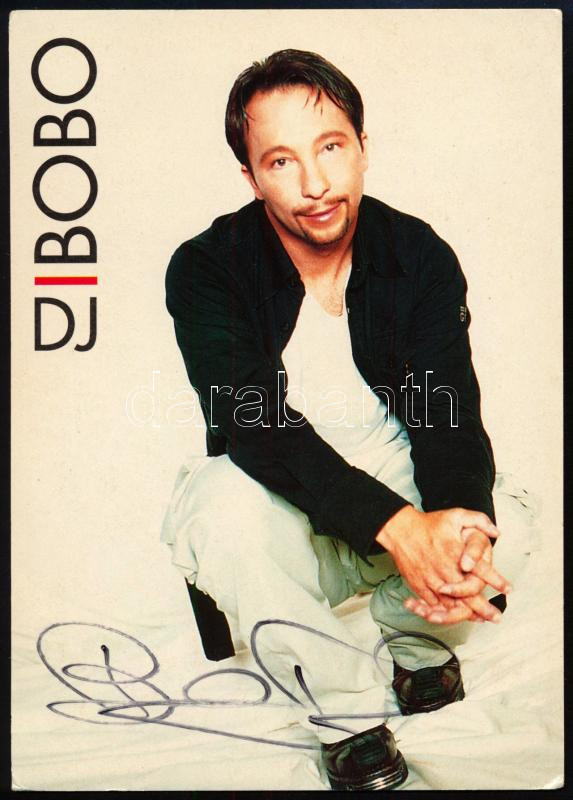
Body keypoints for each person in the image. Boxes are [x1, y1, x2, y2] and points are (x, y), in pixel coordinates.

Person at [162, 49, 534, 790]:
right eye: (281, 161)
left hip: (390, 487)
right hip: (284, 518)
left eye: (330, 147)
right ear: (251, 177)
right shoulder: (207, 265)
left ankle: (416, 646)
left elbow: (448, 410)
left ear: (362, 146)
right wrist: (399, 528)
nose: (314, 184)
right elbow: (254, 423)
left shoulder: (417, 252)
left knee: (504, 522)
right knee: (219, 512)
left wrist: (452, 526)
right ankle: (346, 716)